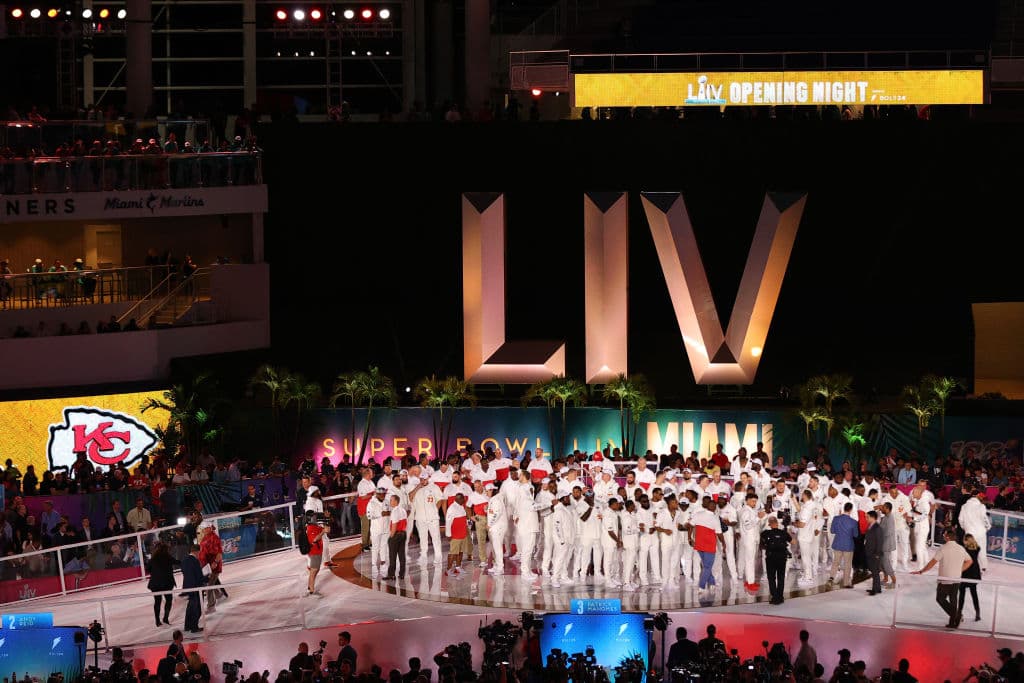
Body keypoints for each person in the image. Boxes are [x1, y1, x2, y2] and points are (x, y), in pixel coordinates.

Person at [912, 527, 973, 628]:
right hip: (956, 579)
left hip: (945, 580)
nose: (943, 536)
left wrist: (921, 571)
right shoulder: (961, 548)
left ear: (948, 537)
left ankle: (956, 617)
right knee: (953, 600)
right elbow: (969, 561)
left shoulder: (943, 548)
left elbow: (932, 562)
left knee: (940, 599)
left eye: (944, 535)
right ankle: (954, 621)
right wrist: (960, 570)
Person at [958, 489, 992, 572]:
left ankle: (969, 567)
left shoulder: (964, 506)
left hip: (969, 532)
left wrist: (965, 528)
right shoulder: (981, 506)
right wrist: (987, 527)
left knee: (970, 550)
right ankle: (983, 567)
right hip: (980, 531)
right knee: (982, 549)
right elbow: (984, 519)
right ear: (977, 496)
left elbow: (960, 519)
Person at [761, 515, 791, 604]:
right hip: (782, 557)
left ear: (769, 524)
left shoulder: (765, 533)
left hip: (771, 558)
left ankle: (774, 596)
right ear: (777, 524)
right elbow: (793, 541)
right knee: (781, 577)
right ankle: (780, 597)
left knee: (771, 578)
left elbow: (762, 544)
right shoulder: (783, 532)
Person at [148, 541, 178, 627]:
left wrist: (155, 574)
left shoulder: (153, 558)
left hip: (156, 584)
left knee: (157, 602)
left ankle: (157, 621)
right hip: (167, 583)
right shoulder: (168, 557)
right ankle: (165, 618)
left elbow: (148, 569)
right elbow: (177, 562)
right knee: (168, 600)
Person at [829, 502, 859, 588]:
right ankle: (846, 583)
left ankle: (831, 578)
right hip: (848, 545)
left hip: (837, 543)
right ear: (851, 510)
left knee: (835, 562)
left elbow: (832, 531)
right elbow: (855, 535)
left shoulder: (836, 518)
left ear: (844, 508)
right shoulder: (853, 522)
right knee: (847, 564)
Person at [181, 543, 206, 634]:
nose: (200, 554)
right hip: (196, 587)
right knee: (197, 608)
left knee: (190, 607)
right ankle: (194, 627)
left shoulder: (184, 560)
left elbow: (185, 573)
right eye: (199, 552)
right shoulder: (195, 561)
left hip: (188, 587)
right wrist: (207, 577)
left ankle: (187, 626)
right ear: (196, 551)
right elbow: (199, 576)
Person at [958, 533, 983, 622]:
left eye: (964, 540)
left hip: (966, 572)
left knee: (962, 594)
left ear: (966, 541)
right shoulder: (977, 549)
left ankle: (959, 613)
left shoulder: (964, 550)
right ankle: (978, 613)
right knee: (974, 593)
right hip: (974, 573)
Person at [384, 493, 408, 580]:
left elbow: (394, 526)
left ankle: (391, 575)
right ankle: (402, 574)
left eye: (391, 500)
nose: (390, 502)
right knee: (402, 555)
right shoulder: (403, 510)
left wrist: (391, 537)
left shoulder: (394, 511)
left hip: (396, 535)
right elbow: (405, 522)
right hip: (403, 534)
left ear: (396, 501)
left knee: (392, 556)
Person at [305, 511, 330, 596]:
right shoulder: (310, 528)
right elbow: (314, 539)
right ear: (310, 518)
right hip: (314, 552)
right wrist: (323, 532)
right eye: (313, 516)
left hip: (318, 551)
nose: (315, 518)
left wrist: (326, 520)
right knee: (314, 570)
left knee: (316, 569)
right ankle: (311, 590)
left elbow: (326, 530)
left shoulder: (315, 526)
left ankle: (310, 587)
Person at [864, 511, 884, 595]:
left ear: (873, 517)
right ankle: (877, 588)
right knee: (874, 571)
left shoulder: (877, 528)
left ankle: (874, 590)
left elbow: (880, 542)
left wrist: (877, 554)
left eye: (867, 517)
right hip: (870, 552)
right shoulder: (871, 526)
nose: (866, 519)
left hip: (875, 553)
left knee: (875, 572)